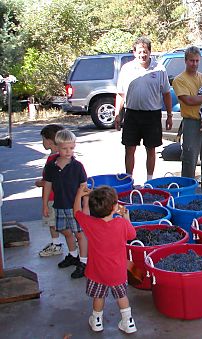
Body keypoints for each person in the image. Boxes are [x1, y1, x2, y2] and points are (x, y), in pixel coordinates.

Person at [74, 185, 137, 333]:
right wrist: (126, 218)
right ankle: (128, 322)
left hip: (97, 272)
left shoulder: (90, 224)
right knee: (122, 296)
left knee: (98, 296)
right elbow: (132, 235)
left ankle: (97, 321)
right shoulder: (121, 224)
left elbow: (76, 212)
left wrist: (80, 195)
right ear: (115, 207)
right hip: (117, 272)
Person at [114, 36, 173, 182]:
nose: (142, 54)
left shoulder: (159, 69)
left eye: (145, 51)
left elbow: (166, 93)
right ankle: (129, 180)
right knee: (129, 148)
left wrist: (170, 115)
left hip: (152, 115)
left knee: (151, 149)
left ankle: (149, 181)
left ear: (150, 52)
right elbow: (120, 94)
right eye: (140, 51)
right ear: (134, 52)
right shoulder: (127, 69)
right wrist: (117, 114)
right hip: (132, 114)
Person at [172, 46, 202, 195]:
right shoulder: (179, 80)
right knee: (189, 158)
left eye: (197, 60)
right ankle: (186, 193)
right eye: (191, 61)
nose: (194, 63)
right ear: (186, 61)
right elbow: (188, 100)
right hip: (191, 122)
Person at [42, 129, 89, 278]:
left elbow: (84, 187)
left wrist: (85, 205)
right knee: (65, 231)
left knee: (79, 234)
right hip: (59, 205)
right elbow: (47, 185)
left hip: (75, 207)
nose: (69, 152)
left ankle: (83, 262)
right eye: (64, 148)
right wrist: (44, 205)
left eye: (71, 148)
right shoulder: (51, 166)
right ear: (57, 146)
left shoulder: (77, 166)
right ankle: (73, 255)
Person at [36, 124, 65, 257]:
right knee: (58, 222)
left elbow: (51, 181)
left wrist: (39, 183)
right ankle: (65, 242)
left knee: (52, 223)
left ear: (49, 141)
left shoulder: (52, 160)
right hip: (60, 197)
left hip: (52, 197)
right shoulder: (62, 157)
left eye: (43, 139)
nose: (43, 142)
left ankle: (56, 244)